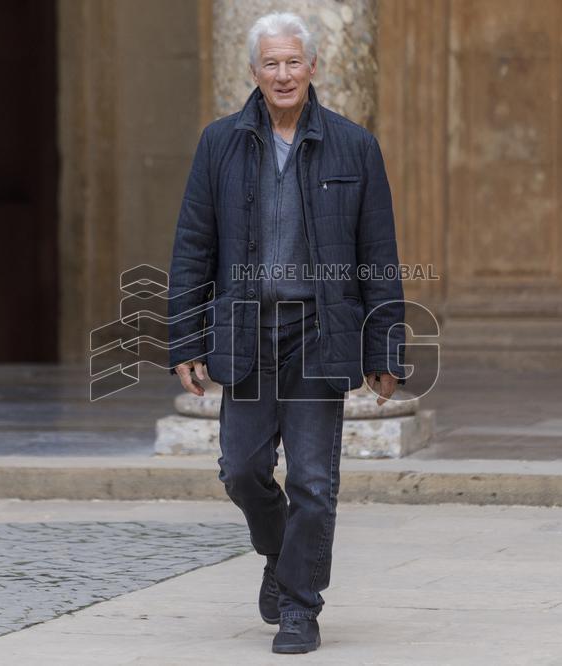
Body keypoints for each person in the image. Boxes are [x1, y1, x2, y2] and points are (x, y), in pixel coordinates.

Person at [167, 11, 406, 655]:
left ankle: (301, 605)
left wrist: (385, 350)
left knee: (312, 481)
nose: (282, 74)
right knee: (241, 471)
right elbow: (193, 245)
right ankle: (280, 554)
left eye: (292, 62)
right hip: (245, 333)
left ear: (313, 68)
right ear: (253, 71)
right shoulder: (219, 144)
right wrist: (184, 339)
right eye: (270, 63)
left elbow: (377, 255)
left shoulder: (354, 146)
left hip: (317, 334)